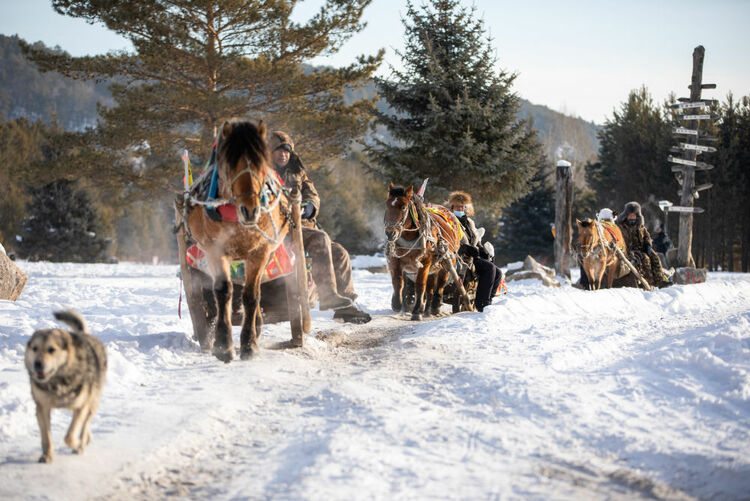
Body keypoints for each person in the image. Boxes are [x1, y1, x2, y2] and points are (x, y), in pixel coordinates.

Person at [268, 131, 371, 323]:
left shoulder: (298, 172)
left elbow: (312, 194)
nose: (283, 154)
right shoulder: (263, 174)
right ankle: (327, 294)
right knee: (320, 239)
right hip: (279, 230)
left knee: (339, 253)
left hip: (304, 226)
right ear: (269, 153)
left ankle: (345, 306)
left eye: (287, 151)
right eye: (278, 151)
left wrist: (310, 206)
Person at [446, 191, 503, 312]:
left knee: (498, 272)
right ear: (452, 207)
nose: (460, 208)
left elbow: (475, 239)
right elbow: (448, 241)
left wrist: (482, 249)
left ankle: (488, 299)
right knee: (489, 269)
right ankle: (482, 304)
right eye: (457, 206)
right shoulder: (448, 221)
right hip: (459, 257)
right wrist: (464, 248)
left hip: (472, 256)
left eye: (462, 206)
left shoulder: (468, 222)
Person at [615, 201, 671, 288]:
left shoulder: (640, 226)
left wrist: (648, 245)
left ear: (637, 216)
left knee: (655, 257)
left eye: (634, 215)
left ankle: (659, 280)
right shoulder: (621, 227)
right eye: (630, 215)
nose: (632, 217)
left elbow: (646, 236)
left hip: (641, 249)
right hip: (628, 251)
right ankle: (649, 281)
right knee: (645, 259)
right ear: (626, 215)